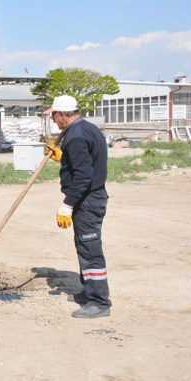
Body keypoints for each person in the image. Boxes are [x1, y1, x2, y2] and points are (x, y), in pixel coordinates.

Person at [44, 95, 111, 318]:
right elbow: (86, 162)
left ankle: (99, 302)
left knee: (91, 251)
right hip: (91, 198)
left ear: (63, 114)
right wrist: (63, 158)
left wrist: (67, 204)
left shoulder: (76, 136)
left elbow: (83, 176)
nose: (54, 120)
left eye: (54, 115)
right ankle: (89, 290)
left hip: (88, 201)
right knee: (84, 247)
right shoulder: (87, 129)